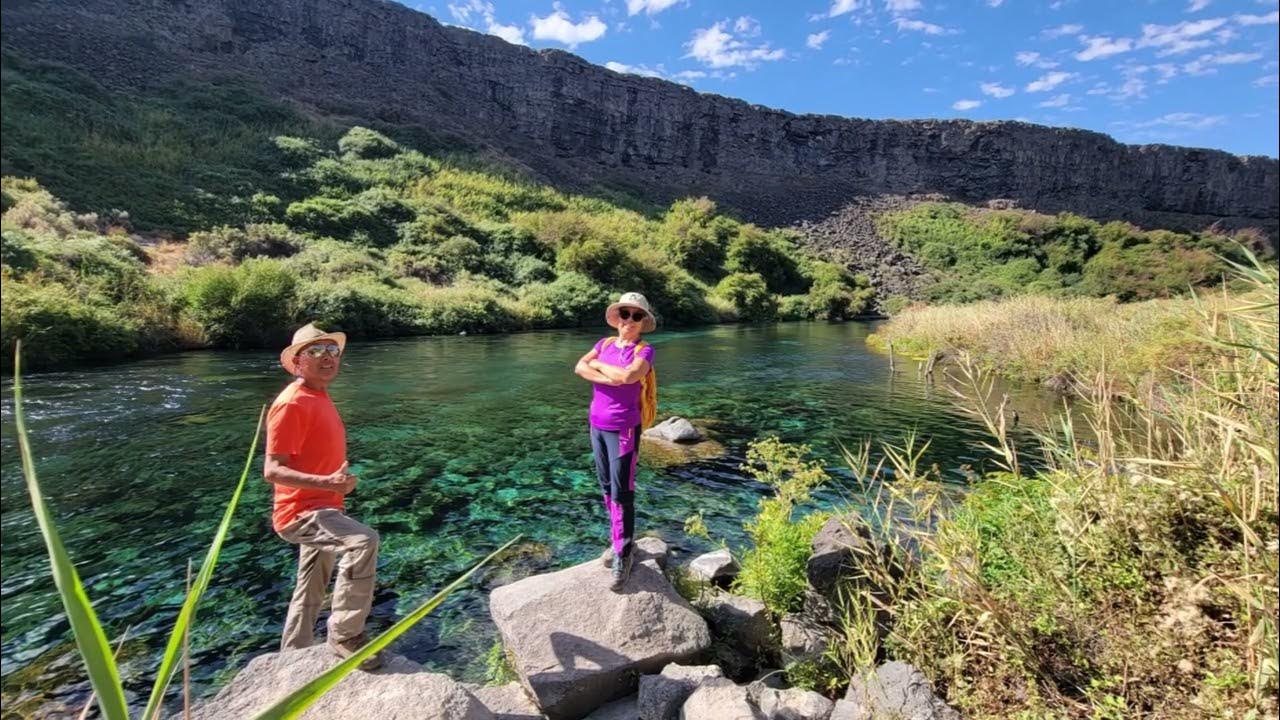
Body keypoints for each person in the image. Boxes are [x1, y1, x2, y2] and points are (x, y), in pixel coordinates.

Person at [264, 322, 383, 670]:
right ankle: (346, 635)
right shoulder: (292, 403)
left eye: (332, 350)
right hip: (302, 513)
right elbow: (272, 469)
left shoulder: (318, 394)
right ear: (297, 362)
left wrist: (334, 486)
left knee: (310, 587)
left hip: (323, 505)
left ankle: (293, 657)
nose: (327, 357)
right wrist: (328, 483)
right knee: (363, 542)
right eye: (315, 351)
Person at [574, 292, 657, 590]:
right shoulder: (604, 344)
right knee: (607, 488)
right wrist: (611, 375)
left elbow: (629, 376)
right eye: (625, 314)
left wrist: (599, 368)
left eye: (637, 315)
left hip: (624, 428)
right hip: (596, 424)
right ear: (617, 317)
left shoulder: (645, 351)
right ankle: (618, 541)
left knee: (623, 491)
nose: (629, 320)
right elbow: (579, 367)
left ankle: (624, 553)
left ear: (643, 321)